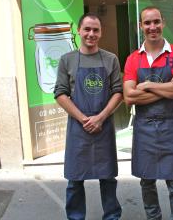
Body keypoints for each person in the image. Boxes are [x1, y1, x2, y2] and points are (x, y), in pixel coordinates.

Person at [123, 6, 173, 220]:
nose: (152, 27)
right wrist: (168, 87)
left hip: (170, 126)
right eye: (147, 23)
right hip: (144, 127)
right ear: (140, 26)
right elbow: (129, 97)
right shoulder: (133, 59)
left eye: (156, 22)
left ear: (163, 23)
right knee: (147, 181)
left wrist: (148, 85)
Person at [54, 12, 123, 220]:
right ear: (79, 31)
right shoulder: (67, 60)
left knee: (108, 178)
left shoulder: (111, 59)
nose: (91, 34)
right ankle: (75, 217)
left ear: (101, 33)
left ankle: (112, 216)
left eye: (96, 30)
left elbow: (118, 92)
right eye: (87, 29)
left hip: (104, 127)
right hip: (78, 128)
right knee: (75, 180)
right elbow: (60, 93)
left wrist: (100, 117)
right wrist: (84, 119)